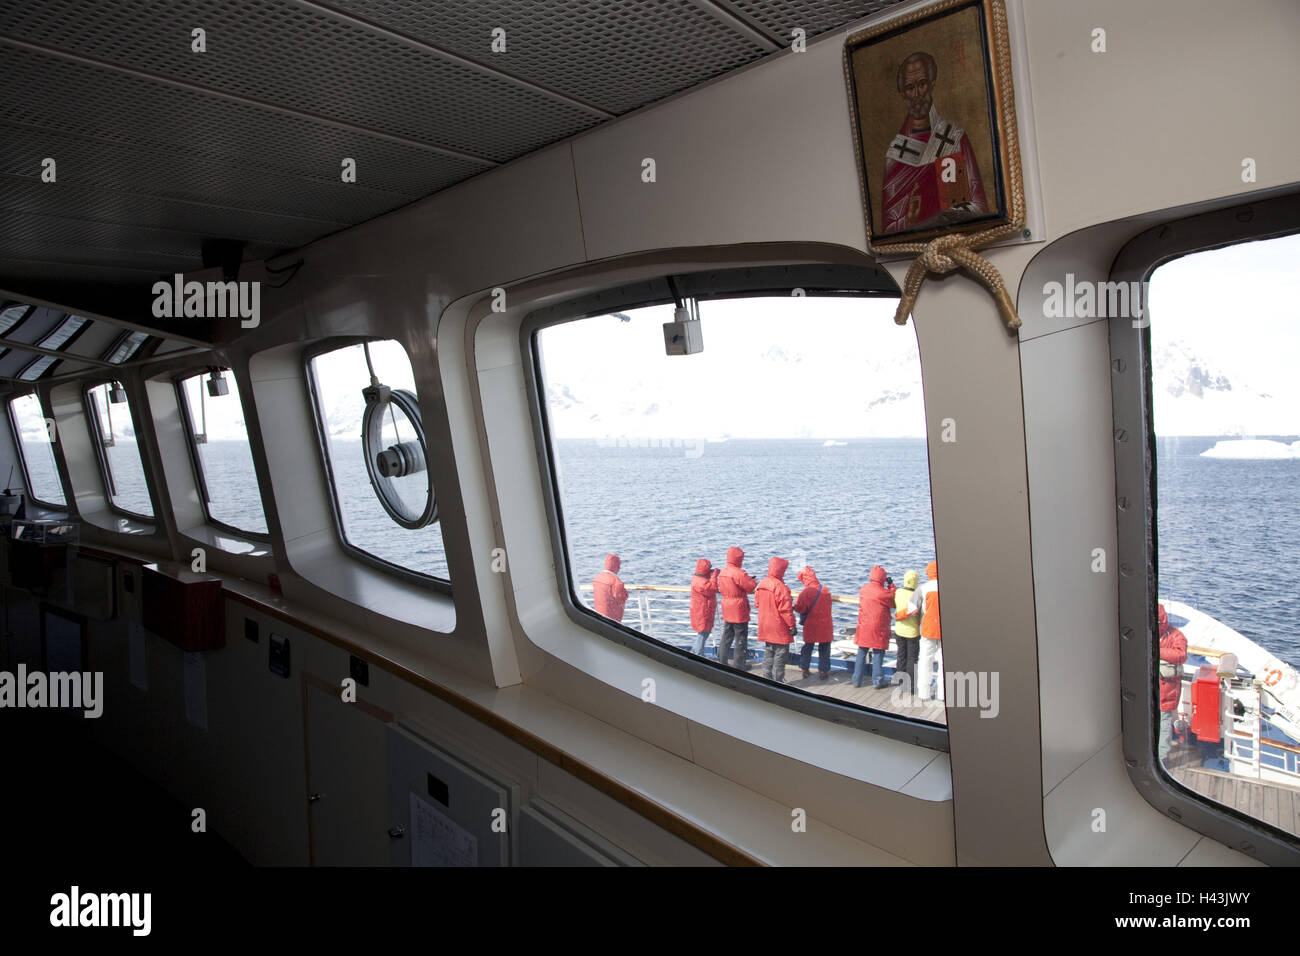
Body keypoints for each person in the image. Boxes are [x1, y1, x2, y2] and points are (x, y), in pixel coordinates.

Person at [881, 51, 989, 235]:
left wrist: (954, 213)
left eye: (922, 84)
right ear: (902, 93)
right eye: (909, 87)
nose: (916, 94)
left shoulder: (951, 138)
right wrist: (908, 220)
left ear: (932, 84)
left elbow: (977, 205)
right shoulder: (896, 153)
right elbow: (887, 231)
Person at [902, 560, 942, 701]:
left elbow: (911, 610)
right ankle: (942, 694)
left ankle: (924, 693)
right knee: (943, 663)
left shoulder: (923, 589)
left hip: (928, 630)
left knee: (925, 661)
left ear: (928, 572)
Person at [854, 566, 897, 689]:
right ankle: (878, 681)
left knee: (861, 652)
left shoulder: (864, 590)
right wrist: (891, 586)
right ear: (882, 578)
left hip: (864, 626)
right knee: (878, 653)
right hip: (879, 628)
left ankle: (857, 679)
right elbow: (893, 602)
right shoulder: (883, 593)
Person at [755, 557, 797, 683]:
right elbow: (785, 610)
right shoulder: (781, 588)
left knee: (769, 651)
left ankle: (766, 677)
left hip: (765, 623)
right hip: (778, 625)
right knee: (780, 653)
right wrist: (792, 625)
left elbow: (757, 603)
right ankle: (778, 680)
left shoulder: (762, 584)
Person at [717, 546, 757, 671]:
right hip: (738, 609)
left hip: (727, 606)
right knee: (740, 637)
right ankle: (739, 665)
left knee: (727, 636)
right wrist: (753, 581)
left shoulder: (723, 572)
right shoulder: (738, 573)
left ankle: (722, 661)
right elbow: (750, 586)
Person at [1157, 603, 1188, 762]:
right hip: (1147, 689)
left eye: (1159, 622)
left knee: (1164, 723)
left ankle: (1162, 757)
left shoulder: (1176, 635)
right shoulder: (1144, 633)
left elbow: (1181, 655)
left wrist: (1157, 650)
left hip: (1167, 690)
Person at [794, 566, 833, 680]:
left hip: (811, 624)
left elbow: (799, 608)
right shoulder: (825, 589)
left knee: (808, 647)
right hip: (825, 623)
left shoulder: (806, 592)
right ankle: (823, 671)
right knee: (825, 647)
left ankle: (804, 669)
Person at [892, 569, 921, 694]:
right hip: (912, 631)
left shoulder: (898, 592)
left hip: (899, 630)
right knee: (912, 659)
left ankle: (900, 682)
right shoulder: (917, 596)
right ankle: (910, 686)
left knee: (901, 656)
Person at [689, 558, 721, 656]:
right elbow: (712, 588)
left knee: (703, 633)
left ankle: (695, 652)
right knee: (703, 634)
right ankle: (698, 654)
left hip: (701, 610)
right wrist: (714, 575)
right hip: (703, 611)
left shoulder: (697, 578)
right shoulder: (701, 582)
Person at [592, 553, 628, 623]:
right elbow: (622, 598)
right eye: (618, 565)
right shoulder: (616, 582)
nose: (619, 568)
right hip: (612, 621)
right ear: (616, 566)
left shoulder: (597, 578)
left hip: (599, 616)